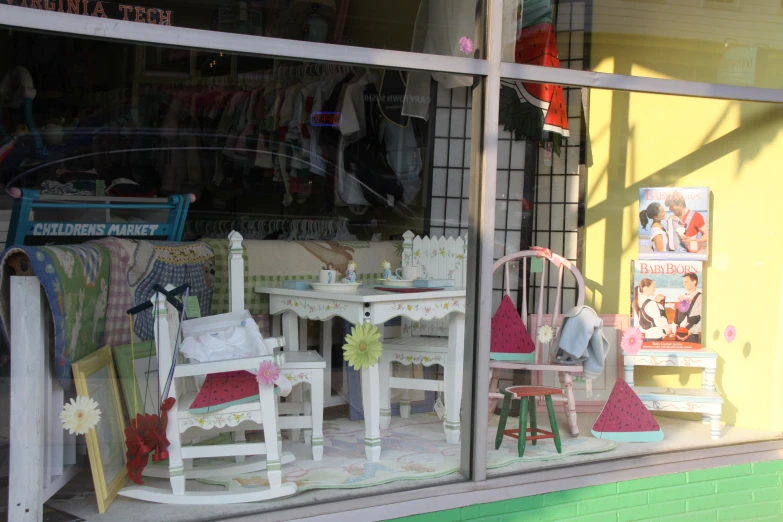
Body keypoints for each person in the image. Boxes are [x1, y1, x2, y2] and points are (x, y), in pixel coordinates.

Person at [675, 272, 702, 344]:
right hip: (679, 335)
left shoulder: (700, 297)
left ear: (694, 282)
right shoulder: (682, 297)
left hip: (691, 336)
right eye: (683, 282)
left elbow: (703, 319)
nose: (684, 284)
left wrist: (690, 332)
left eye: (686, 282)